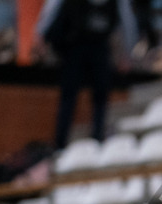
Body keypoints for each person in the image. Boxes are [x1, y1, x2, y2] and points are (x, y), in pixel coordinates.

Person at [36, 0, 137, 149]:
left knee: (99, 97)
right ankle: (60, 144)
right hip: (76, 44)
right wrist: (40, 33)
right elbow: (53, 6)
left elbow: (127, 19)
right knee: (69, 97)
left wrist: (127, 53)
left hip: (98, 46)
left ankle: (96, 142)